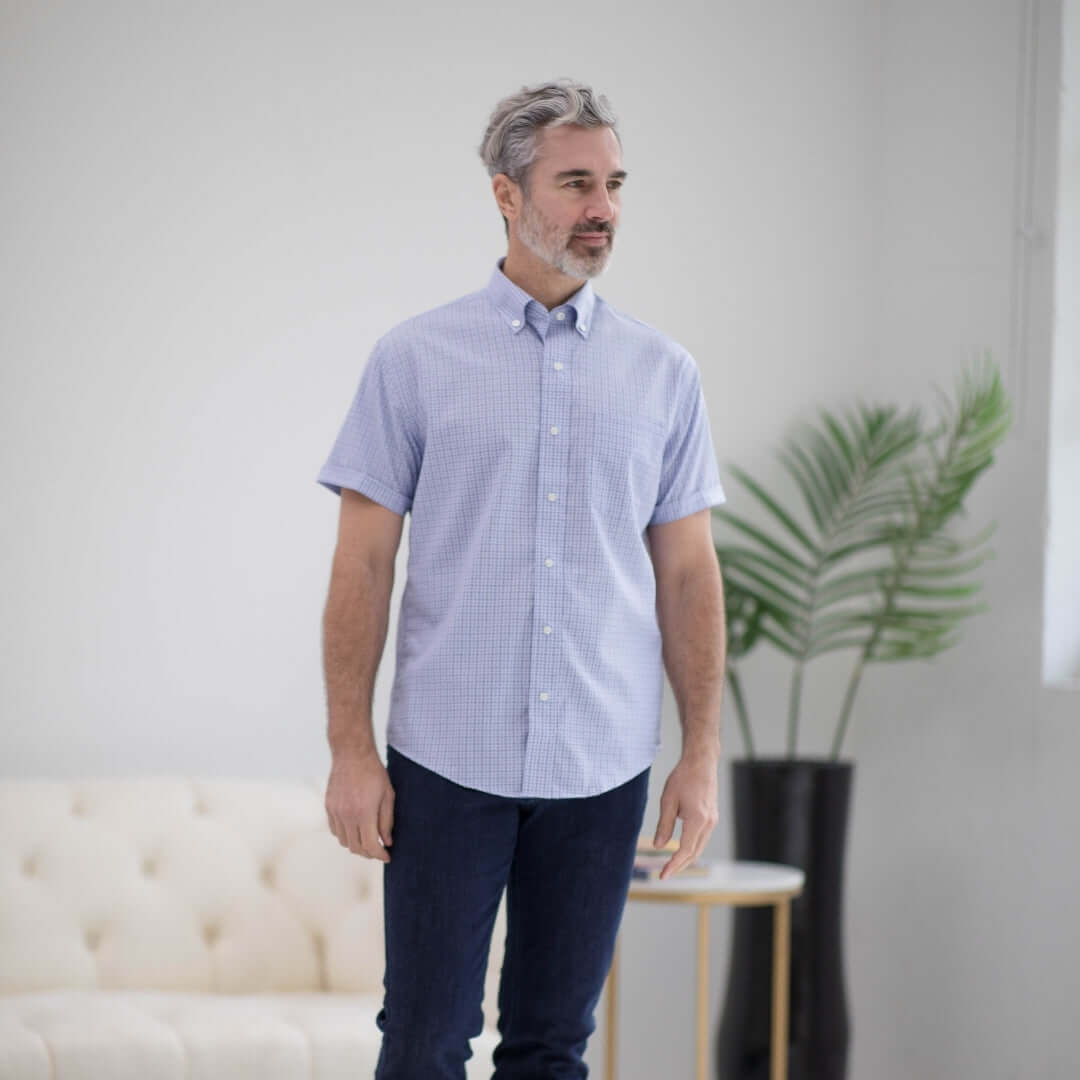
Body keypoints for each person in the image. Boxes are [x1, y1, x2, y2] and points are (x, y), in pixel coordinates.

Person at [317, 77, 728, 1080]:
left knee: (553, 1049)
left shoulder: (662, 374)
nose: (602, 209)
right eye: (575, 182)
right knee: (422, 1043)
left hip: (600, 767)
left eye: (615, 184)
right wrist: (350, 751)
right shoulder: (414, 360)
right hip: (444, 763)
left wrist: (701, 753)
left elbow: (686, 575)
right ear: (507, 196)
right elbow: (363, 564)